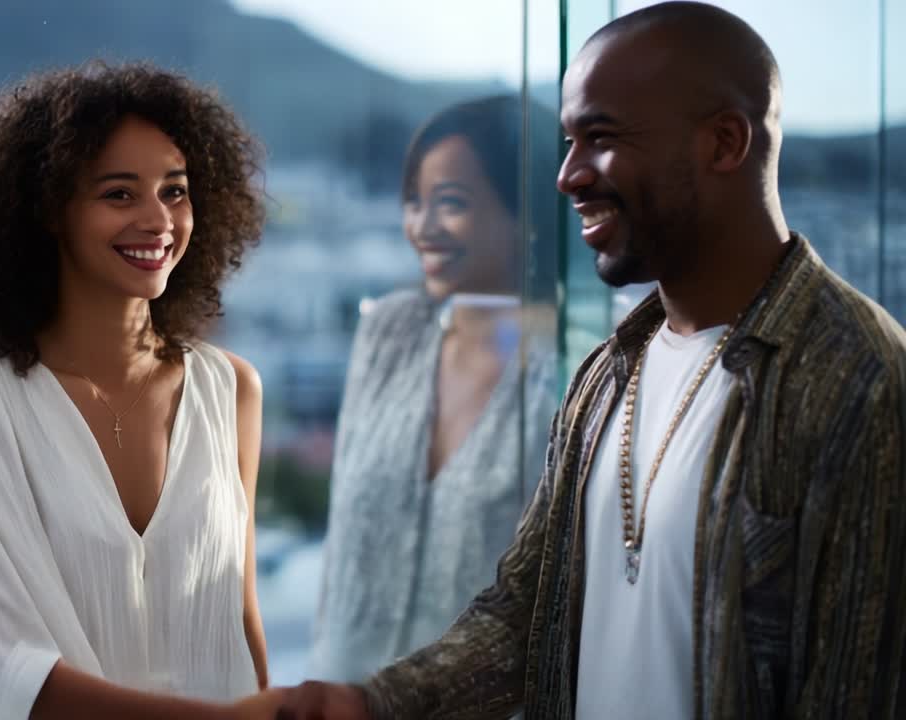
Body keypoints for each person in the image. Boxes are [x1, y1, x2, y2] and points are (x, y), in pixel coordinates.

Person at [276, 2, 906, 718]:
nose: (568, 176)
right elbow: (525, 613)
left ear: (725, 142)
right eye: (569, 142)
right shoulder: (609, 372)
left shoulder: (862, 379)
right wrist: (371, 704)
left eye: (600, 139)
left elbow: (859, 691)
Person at [0, 63, 281, 719]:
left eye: (175, 191)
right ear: (48, 210)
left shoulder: (232, 390)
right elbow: (3, 669)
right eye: (119, 194)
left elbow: (240, 619)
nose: (158, 220)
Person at [309, 96, 558, 683]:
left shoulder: (571, 365)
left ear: (525, 214)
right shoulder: (388, 332)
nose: (421, 227)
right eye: (413, 202)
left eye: (450, 204)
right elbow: (338, 551)